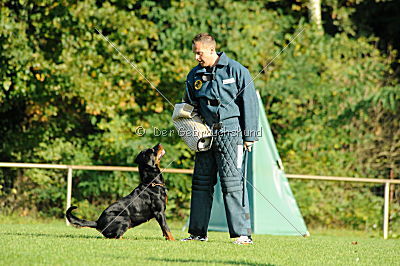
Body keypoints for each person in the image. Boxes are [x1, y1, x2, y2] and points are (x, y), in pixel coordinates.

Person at [180, 33, 259, 245]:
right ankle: (197, 234)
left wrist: (249, 136)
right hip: (205, 135)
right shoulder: (194, 75)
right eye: (195, 52)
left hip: (232, 134)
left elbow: (250, 102)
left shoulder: (237, 70)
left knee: (232, 184)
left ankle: (242, 235)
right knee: (201, 184)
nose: (196, 57)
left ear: (211, 50)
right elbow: (188, 106)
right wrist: (191, 130)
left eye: (199, 53)